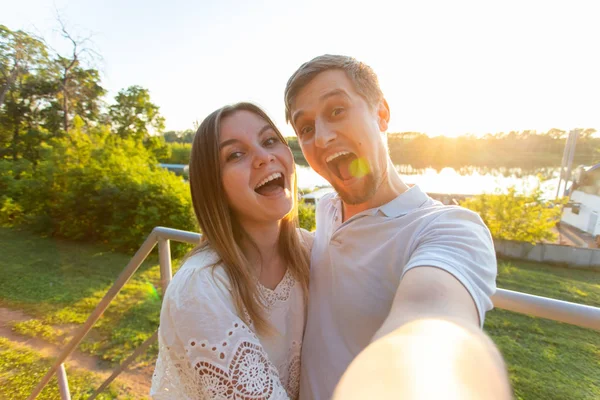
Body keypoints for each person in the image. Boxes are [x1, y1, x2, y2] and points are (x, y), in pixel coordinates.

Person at [284, 55, 508, 399]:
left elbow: (430, 321)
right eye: (307, 128)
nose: (323, 137)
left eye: (337, 111)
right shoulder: (327, 207)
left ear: (382, 113)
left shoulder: (449, 229)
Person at [150, 102, 311, 399]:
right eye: (236, 154)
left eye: (270, 140)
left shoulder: (310, 251)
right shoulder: (200, 287)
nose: (264, 157)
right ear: (214, 186)